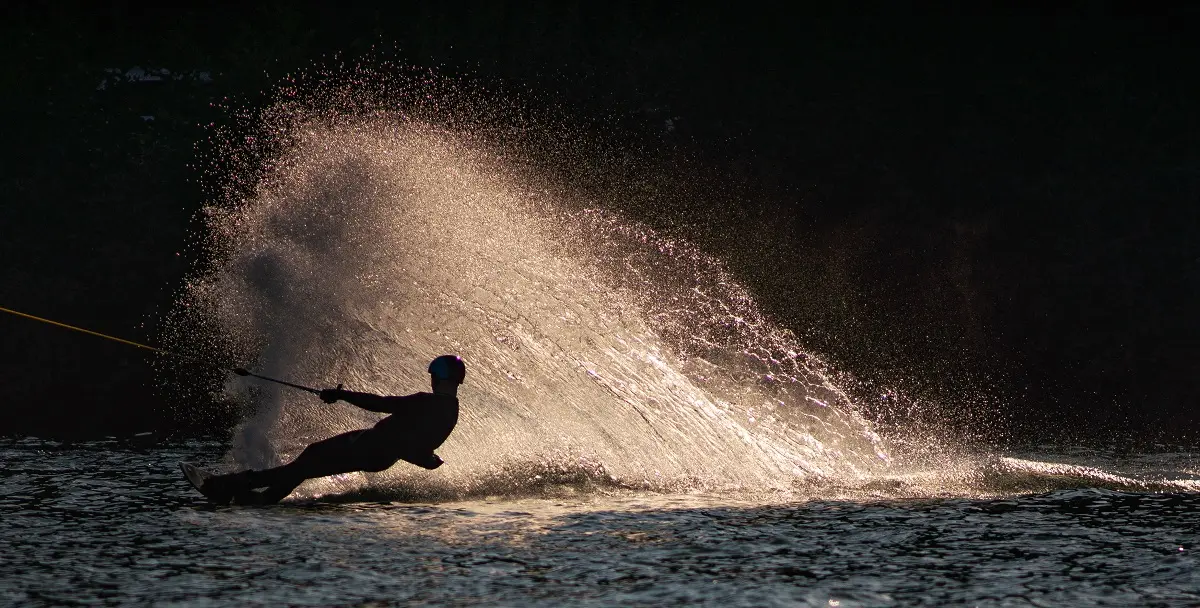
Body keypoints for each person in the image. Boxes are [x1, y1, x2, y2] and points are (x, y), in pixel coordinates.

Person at [200, 354, 465, 505]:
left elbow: (380, 404)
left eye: (432, 375)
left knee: (307, 463)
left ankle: (229, 485)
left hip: (369, 447)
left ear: (438, 377)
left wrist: (342, 396)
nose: (430, 379)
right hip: (377, 453)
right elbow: (424, 447)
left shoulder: (426, 402)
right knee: (309, 461)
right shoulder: (450, 411)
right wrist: (424, 457)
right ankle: (262, 499)